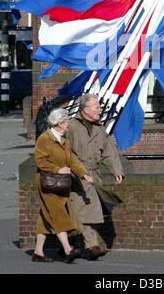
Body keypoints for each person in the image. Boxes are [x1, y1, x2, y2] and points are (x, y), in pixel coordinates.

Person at [67, 94, 124, 261]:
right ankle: (92, 246)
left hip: (94, 175)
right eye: (96, 107)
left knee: (83, 211)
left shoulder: (99, 129)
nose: (100, 109)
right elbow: (64, 151)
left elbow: (109, 152)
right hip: (76, 176)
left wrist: (117, 170)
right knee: (85, 209)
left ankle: (68, 246)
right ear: (84, 109)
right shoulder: (71, 127)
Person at [33, 107, 93, 263]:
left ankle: (38, 252)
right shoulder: (44, 139)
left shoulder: (65, 140)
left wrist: (83, 173)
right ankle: (68, 249)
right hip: (47, 184)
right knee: (59, 214)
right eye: (66, 121)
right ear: (59, 123)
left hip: (61, 185)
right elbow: (40, 161)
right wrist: (58, 169)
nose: (69, 124)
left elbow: (72, 159)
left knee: (46, 216)